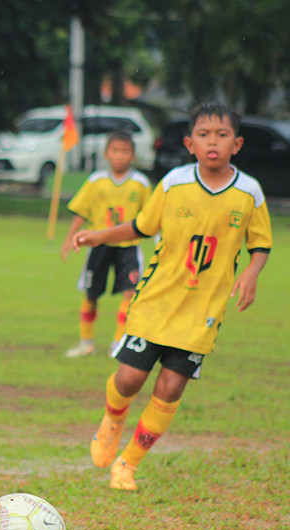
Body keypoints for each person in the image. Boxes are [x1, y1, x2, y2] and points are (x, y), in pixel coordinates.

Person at [72, 102, 271, 490]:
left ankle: (128, 463)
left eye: (222, 135)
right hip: (156, 301)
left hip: (203, 312)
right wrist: (100, 235)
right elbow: (141, 226)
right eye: (203, 134)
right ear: (189, 143)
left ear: (237, 144)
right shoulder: (173, 183)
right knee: (129, 379)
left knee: (170, 388)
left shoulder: (249, 192)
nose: (212, 142)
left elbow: (260, 243)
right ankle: (113, 420)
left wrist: (252, 272)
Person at [60, 131, 152, 358]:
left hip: (128, 246)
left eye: (125, 151)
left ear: (133, 156)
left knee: (130, 293)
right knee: (91, 294)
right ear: (106, 154)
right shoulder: (96, 181)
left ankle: (117, 343)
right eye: (115, 151)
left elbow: (151, 216)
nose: (120, 156)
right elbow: (81, 211)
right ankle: (86, 343)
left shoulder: (140, 183)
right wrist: (69, 238)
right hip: (99, 245)